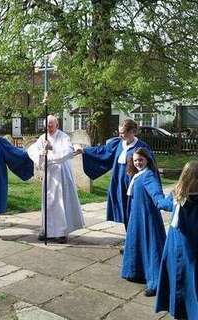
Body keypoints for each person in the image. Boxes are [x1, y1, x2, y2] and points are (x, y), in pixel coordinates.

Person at [82, 119, 154, 231]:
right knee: (125, 211)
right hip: (119, 183)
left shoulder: (141, 147)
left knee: (134, 212)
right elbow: (102, 151)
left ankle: (135, 241)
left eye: (123, 132)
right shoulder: (118, 144)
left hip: (134, 184)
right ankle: (129, 239)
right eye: (119, 132)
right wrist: (84, 151)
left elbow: (151, 167)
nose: (120, 135)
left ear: (132, 132)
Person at [27, 115, 84, 244]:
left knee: (60, 202)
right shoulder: (43, 138)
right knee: (49, 202)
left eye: (51, 126)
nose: (49, 128)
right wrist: (42, 151)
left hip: (61, 173)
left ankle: (62, 232)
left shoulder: (63, 137)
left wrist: (52, 148)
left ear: (57, 125)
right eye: (47, 126)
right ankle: (48, 230)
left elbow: (68, 151)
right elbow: (32, 151)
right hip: (49, 173)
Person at [155, 161, 198, 319]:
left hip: (191, 248)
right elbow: (164, 203)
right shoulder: (177, 195)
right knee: (177, 278)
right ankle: (180, 310)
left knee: (190, 281)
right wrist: (157, 199)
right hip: (176, 245)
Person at [121, 147, 166, 297]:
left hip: (147, 218)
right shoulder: (138, 174)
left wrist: (165, 203)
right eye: (135, 160)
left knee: (151, 247)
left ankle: (155, 283)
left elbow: (156, 194)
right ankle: (136, 272)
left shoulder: (148, 176)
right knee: (136, 243)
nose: (138, 163)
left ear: (147, 159)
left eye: (141, 160)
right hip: (136, 216)